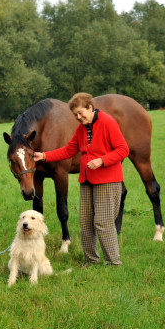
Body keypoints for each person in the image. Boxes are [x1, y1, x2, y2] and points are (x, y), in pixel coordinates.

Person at [33, 93, 129, 266]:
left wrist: (102, 160)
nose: (78, 118)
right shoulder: (82, 128)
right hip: (87, 179)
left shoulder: (107, 122)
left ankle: (114, 262)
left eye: (80, 113)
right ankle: (91, 260)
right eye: (75, 115)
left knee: (102, 222)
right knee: (85, 222)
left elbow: (123, 150)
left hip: (107, 179)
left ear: (90, 108)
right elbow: (68, 150)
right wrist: (44, 156)